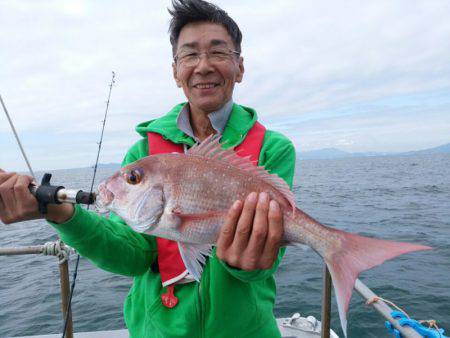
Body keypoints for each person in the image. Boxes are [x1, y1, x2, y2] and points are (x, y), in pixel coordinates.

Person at [0, 0, 296, 337]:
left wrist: (251, 257)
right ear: (175, 71)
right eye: (189, 55)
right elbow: (132, 255)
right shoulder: (144, 152)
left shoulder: (273, 149)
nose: (203, 66)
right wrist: (62, 214)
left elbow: (261, 268)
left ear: (239, 67)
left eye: (218, 53)